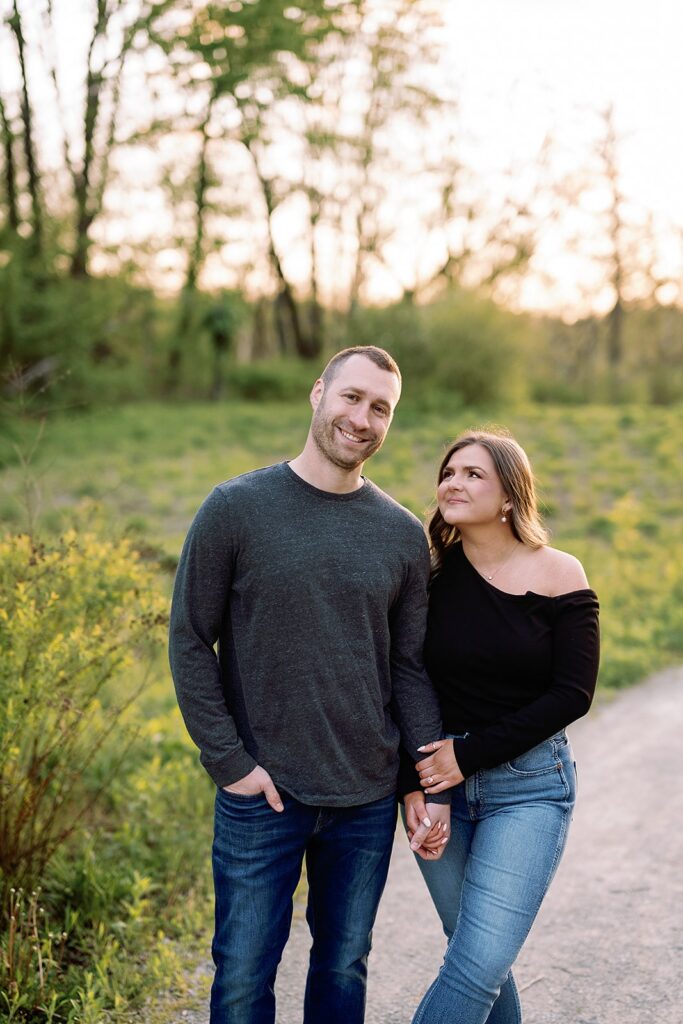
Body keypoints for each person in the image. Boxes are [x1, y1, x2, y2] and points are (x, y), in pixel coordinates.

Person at [168, 345, 450, 1024]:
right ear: (318, 393)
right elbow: (187, 639)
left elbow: (407, 667)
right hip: (261, 794)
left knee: (342, 968)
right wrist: (230, 764)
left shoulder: (401, 534)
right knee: (241, 977)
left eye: (380, 407)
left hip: (363, 798)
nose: (362, 418)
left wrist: (420, 778)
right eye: (351, 397)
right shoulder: (235, 508)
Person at [402, 428, 600, 1024]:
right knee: (476, 957)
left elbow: (574, 693)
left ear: (511, 495)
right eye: (449, 472)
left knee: (477, 961)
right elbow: (404, 682)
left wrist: (470, 755)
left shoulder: (560, 572)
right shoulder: (429, 578)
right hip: (440, 788)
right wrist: (414, 785)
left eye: (473, 474)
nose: (453, 483)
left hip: (530, 787)